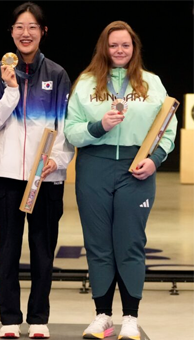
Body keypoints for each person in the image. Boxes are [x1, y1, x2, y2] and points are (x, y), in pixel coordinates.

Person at [64, 21, 177, 339]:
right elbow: (70, 129)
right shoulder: (86, 83)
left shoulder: (151, 84)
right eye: (113, 45)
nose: (119, 50)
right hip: (93, 169)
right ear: (104, 47)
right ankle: (102, 316)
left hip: (136, 170)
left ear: (134, 48)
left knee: (130, 244)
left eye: (125, 45)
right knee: (98, 246)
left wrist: (155, 161)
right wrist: (99, 126)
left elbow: (167, 127)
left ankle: (130, 317)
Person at [0, 2, 74, 339]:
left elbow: (65, 126)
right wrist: (9, 88)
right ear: (11, 32)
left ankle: (38, 318)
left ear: (43, 32)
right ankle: (8, 318)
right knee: (6, 249)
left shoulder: (58, 74)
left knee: (43, 249)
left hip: (46, 178)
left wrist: (57, 161)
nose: (25, 33)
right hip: (6, 177)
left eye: (32, 26)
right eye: (19, 26)